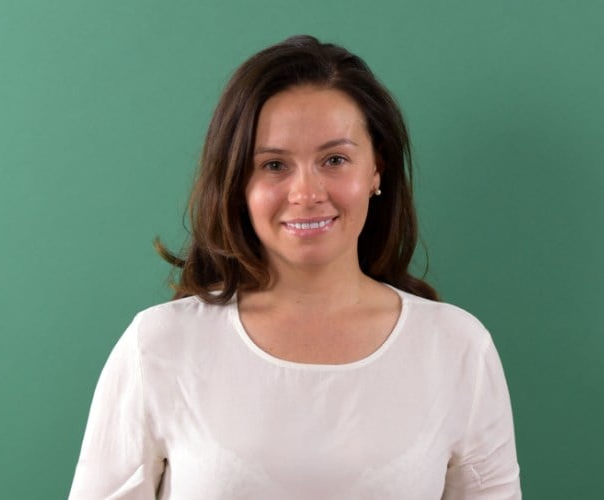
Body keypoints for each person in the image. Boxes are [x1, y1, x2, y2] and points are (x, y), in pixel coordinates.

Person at [69, 35, 521, 499]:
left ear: (376, 171)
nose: (306, 194)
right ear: (237, 182)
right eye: (274, 165)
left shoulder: (458, 349)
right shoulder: (158, 346)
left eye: (335, 159)